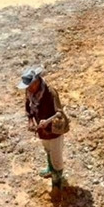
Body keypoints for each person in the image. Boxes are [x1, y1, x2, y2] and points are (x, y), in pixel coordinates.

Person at [20, 65, 69, 196]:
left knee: (56, 158)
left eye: (30, 85)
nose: (29, 89)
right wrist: (31, 121)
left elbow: (59, 114)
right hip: (42, 130)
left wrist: (47, 121)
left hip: (54, 131)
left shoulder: (50, 93)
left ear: (37, 81)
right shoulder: (30, 92)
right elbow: (28, 106)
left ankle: (57, 183)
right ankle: (50, 169)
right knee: (47, 150)